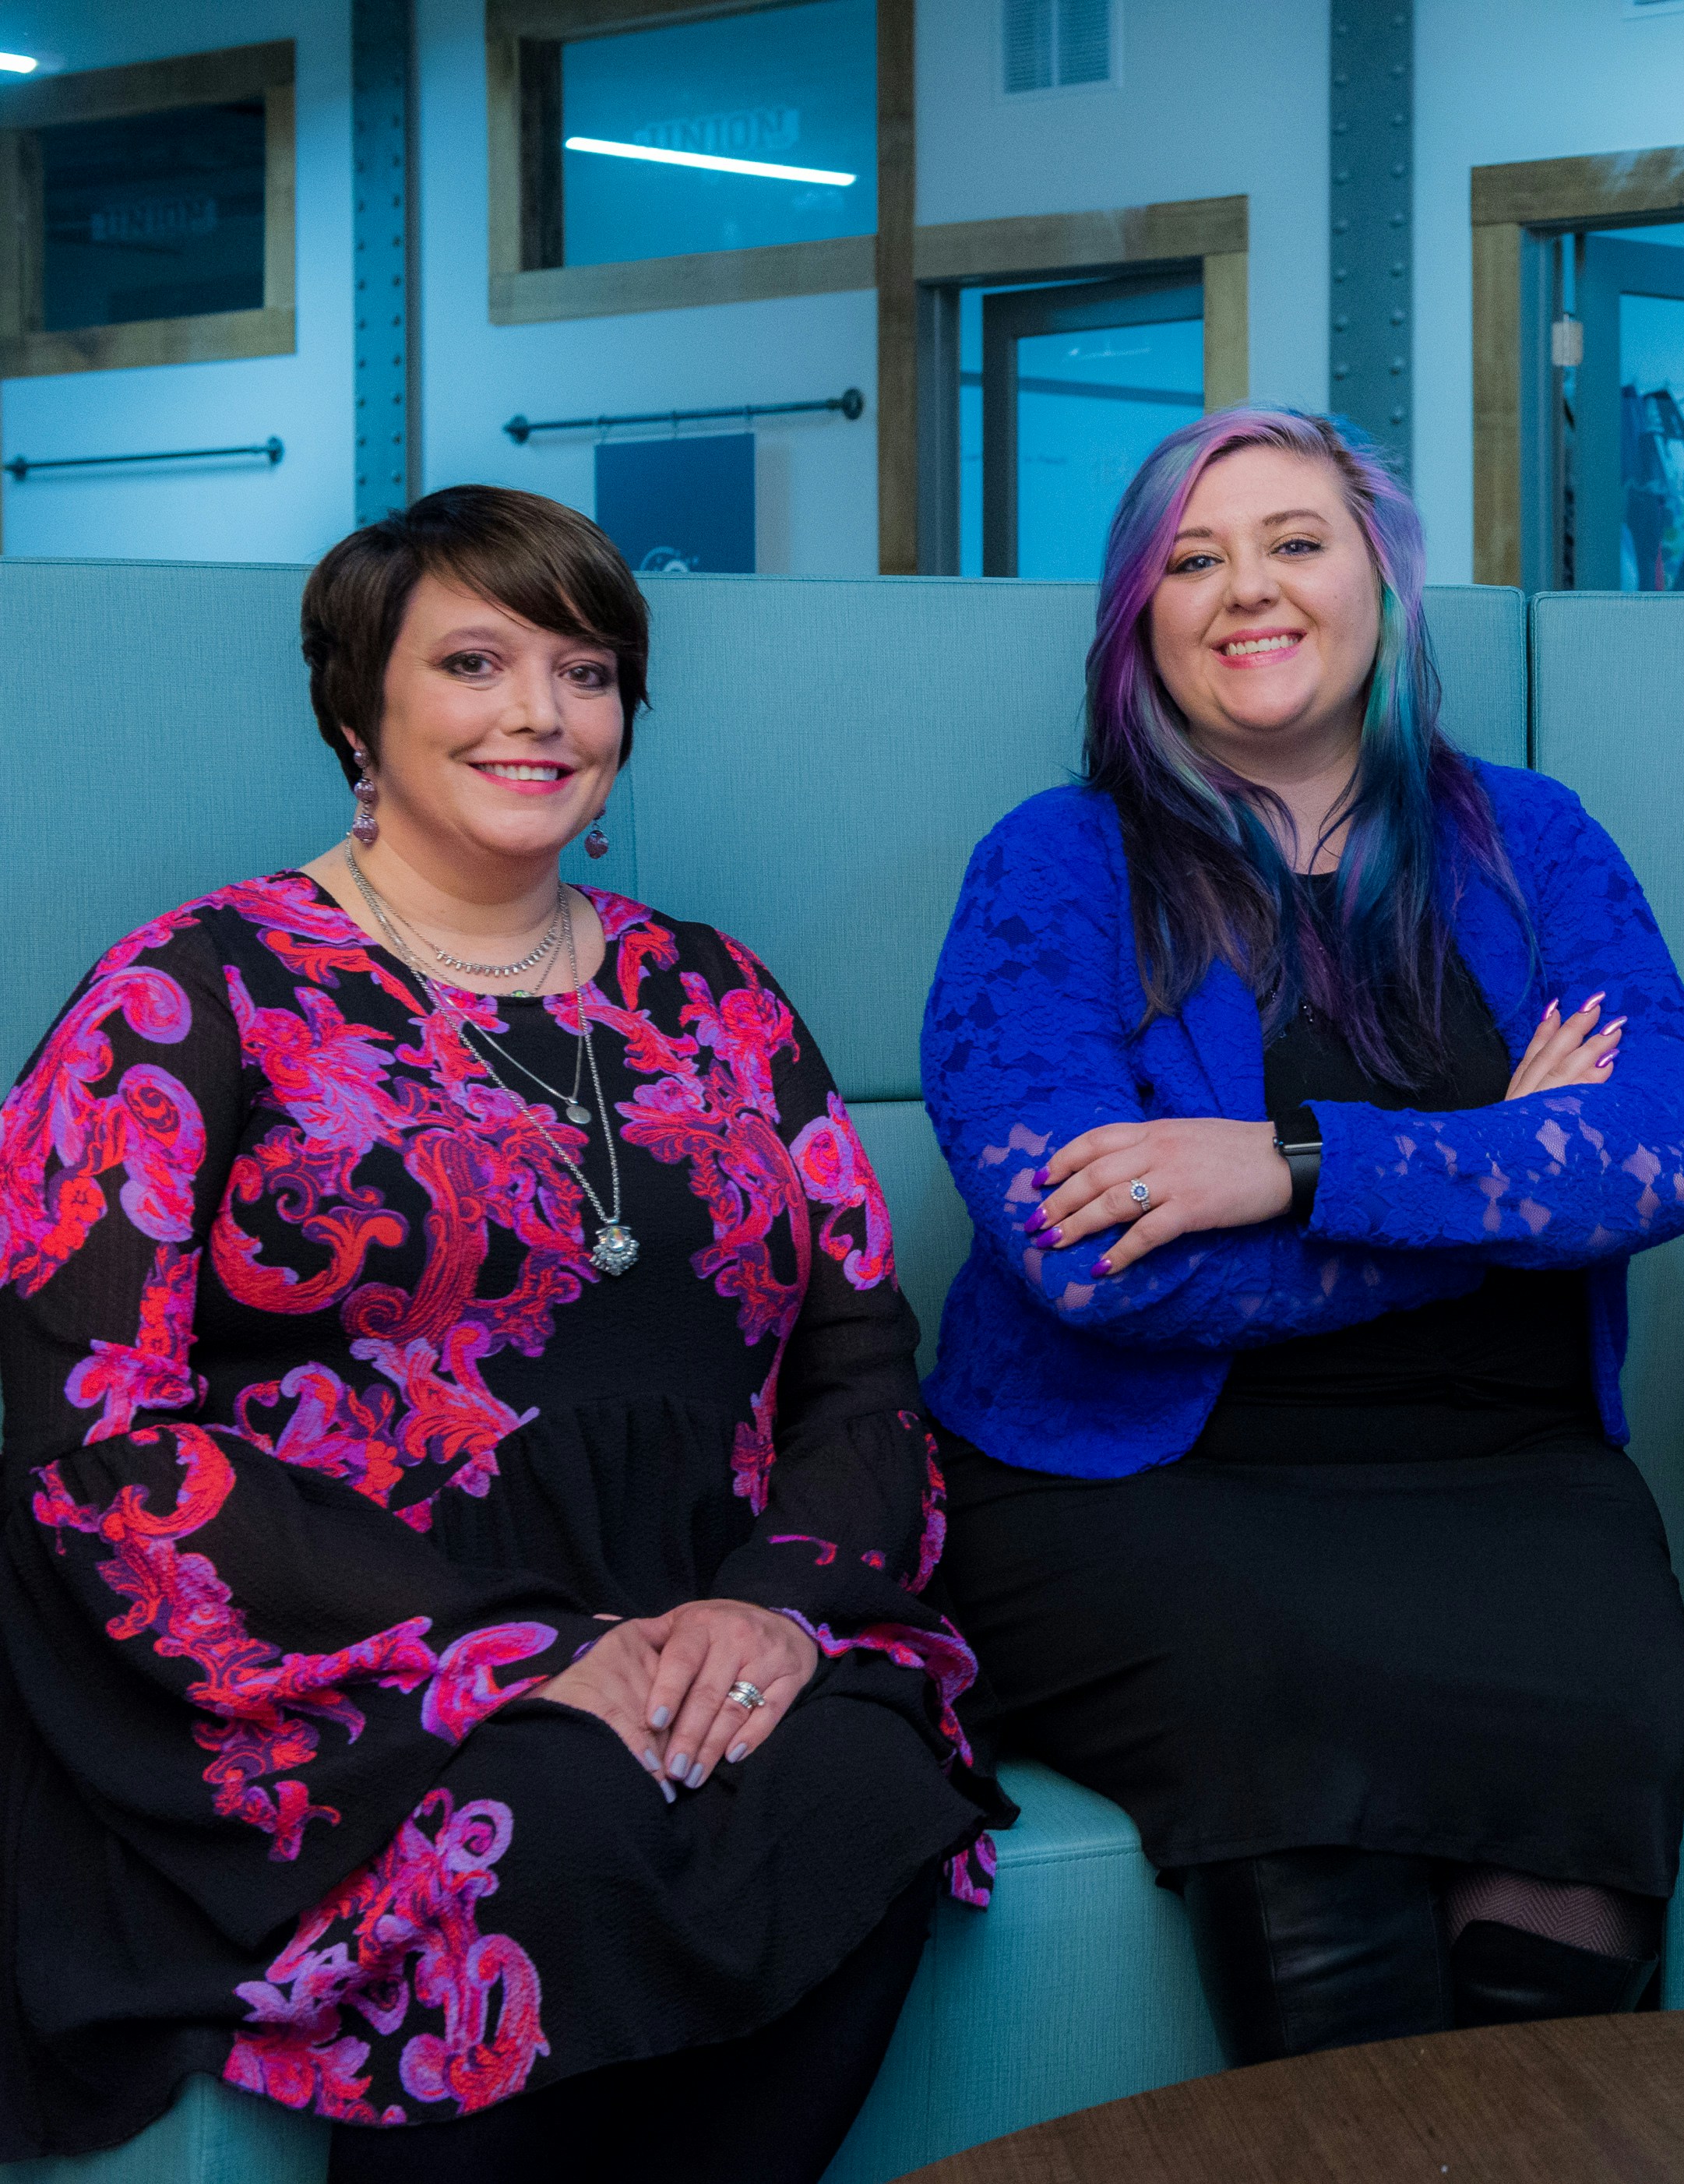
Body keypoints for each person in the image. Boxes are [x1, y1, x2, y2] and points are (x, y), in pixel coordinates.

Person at [0, 486, 1007, 2181]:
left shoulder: (720, 996)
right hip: (336, 1643)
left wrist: (767, 1616)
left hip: (707, 1606)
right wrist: (523, 1651)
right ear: (358, 714)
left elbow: (854, 1360)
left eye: (587, 669)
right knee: (554, 1830)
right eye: (475, 661)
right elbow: (97, 1428)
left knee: (857, 1783)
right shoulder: (194, 993)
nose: (541, 713)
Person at [921, 407, 1684, 2063]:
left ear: (1381, 583)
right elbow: (1090, 1258)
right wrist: (1497, 1177)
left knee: (1593, 1753)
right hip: (1138, 1492)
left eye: (1294, 542)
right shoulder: (1051, 868)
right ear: (1140, 618)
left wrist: (1285, 1160)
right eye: (1190, 560)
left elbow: (1649, 1164)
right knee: (1291, 1738)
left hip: (1509, 1471)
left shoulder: (1535, 840)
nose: (1245, 590)